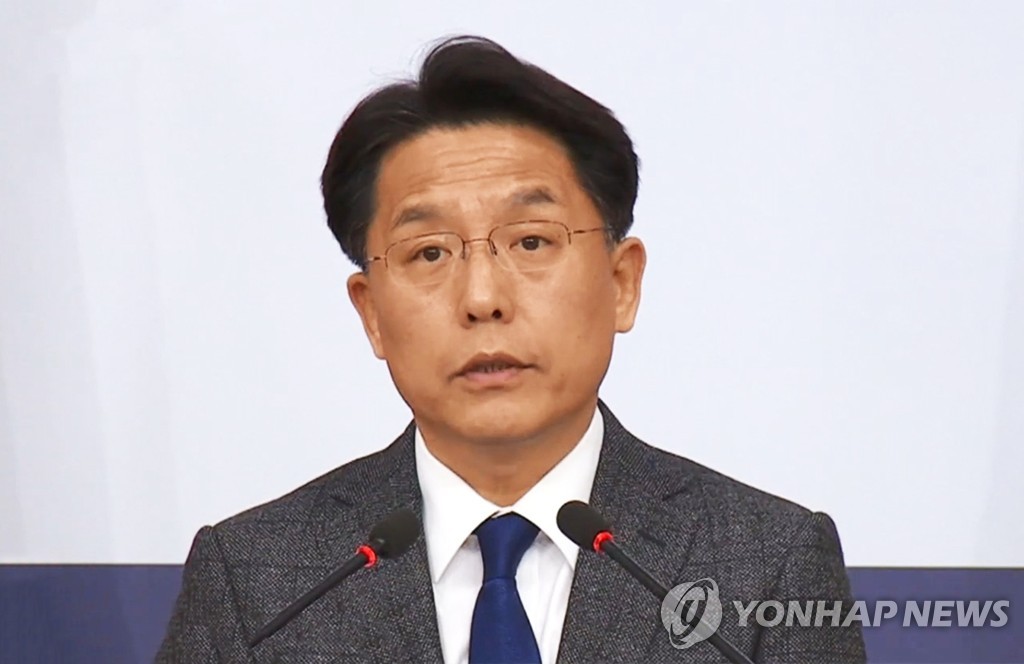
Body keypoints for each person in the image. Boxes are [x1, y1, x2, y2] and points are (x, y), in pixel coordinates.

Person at [157, 36, 866, 663]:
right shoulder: (259, 581)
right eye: (429, 252)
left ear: (622, 283)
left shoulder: (766, 563)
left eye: (530, 241)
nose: (482, 297)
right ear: (371, 313)